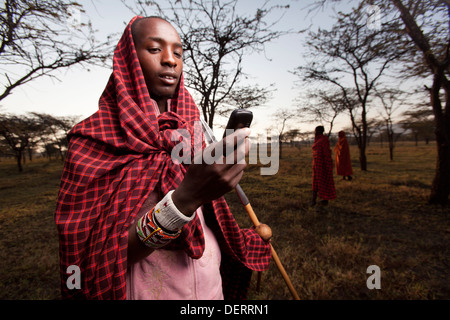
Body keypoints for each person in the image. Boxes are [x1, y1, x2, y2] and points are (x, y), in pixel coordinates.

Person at [55, 16, 271, 300]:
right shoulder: (95, 138)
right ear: (129, 59)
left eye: (178, 53)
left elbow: (208, 221)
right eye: (155, 49)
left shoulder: (192, 129)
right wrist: (184, 200)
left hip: (208, 283)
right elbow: (92, 255)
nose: (170, 60)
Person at [311, 126, 336, 206]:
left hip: (323, 164)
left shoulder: (324, 140)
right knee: (315, 182)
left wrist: (328, 165)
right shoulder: (317, 139)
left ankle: (324, 200)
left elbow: (326, 153)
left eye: (316, 131)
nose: (315, 132)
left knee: (323, 181)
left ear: (319, 131)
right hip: (317, 165)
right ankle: (314, 200)